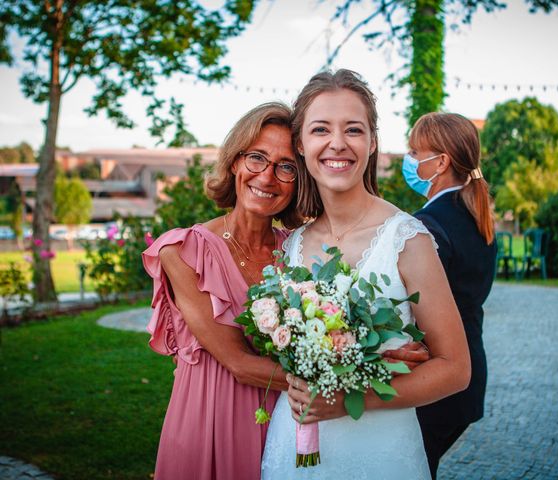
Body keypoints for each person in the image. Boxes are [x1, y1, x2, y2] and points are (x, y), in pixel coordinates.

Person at [261, 69, 471, 479]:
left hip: (380, 451)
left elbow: (455, 369)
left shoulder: (407, 239)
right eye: (321, 129)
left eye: (353, 130)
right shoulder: (290, 245)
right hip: (295, 444)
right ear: (300, 144)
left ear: (372, 142)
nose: (337, 143)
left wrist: (354, 397)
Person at [141, 102, 304, 480]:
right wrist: (351, 381)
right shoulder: (182, 252)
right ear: (234, 162)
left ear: (300, 181)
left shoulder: (300, 250)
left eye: (286, 167)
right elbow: (239, 363)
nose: (267, 177)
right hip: (207, 425)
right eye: (257, 158)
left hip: (285, 423)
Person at [404, 112, 497, 479]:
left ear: (440, 162)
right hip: (471, 372)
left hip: (437, 380)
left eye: (415, 152)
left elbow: (414, 311)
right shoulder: (476, 215)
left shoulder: (429, 224)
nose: (410, 161)